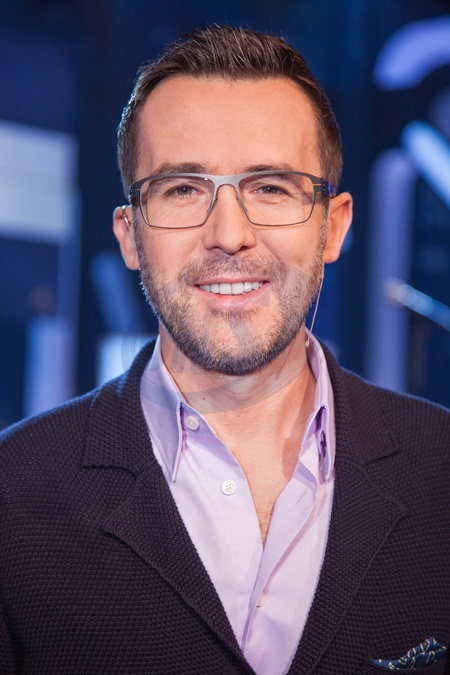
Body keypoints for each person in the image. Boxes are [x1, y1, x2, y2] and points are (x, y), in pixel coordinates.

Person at [0, 25, 449, 675]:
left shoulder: (442, 469)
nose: (230, 234)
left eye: (271, 187)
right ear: (130, 235)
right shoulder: (13, 494)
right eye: (183, 189)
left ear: (334, 226)